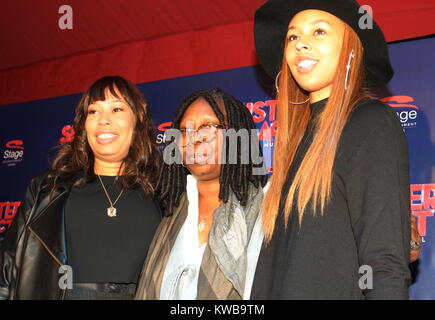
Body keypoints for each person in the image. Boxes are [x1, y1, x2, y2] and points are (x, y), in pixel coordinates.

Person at [251, 0, 412, 299]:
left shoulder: (370, 123)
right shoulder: (296, 143)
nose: (301, 45)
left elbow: (385, 262)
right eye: (293, 37)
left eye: (319, 32)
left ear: (352, 48)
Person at [0, 76, 162, 300]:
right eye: (93, 111)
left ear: (138, 118)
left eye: (116, 109)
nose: (103, 119)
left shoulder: (164, 192)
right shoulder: (47, 189)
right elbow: (7, 269)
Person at [135, 88, 268, 300]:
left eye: (208, 126)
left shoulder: (267, 213)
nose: (194, 139)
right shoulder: (170, 212)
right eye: (185, 130)